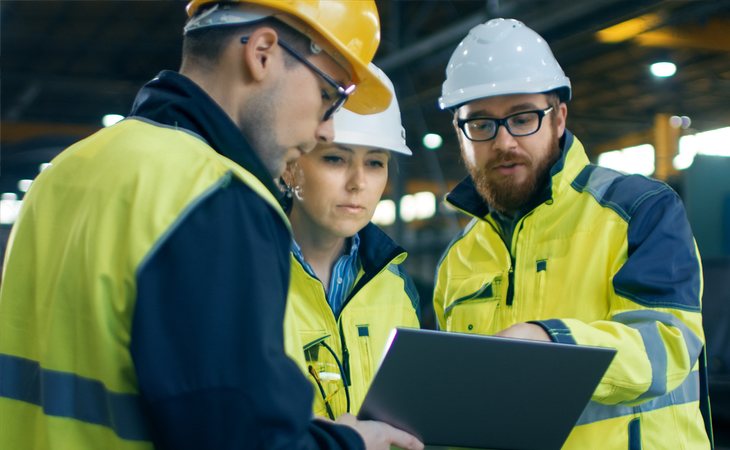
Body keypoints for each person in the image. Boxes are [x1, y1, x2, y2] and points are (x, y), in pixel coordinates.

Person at [0, 1, 423, 449]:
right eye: (327, 95)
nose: (327, 130)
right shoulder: (215, 197)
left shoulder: (66, 171)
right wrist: (350, 445)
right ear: (262, 53)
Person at [433, 18, 712, 449]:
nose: (504, 142)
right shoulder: (459, 257)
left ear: (558, 118)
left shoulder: (639, 209)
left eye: (523, 118)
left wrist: (552, 340)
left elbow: (667, 349)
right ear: (460, 133)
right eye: (482, 124)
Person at [282, 65, 420, 420]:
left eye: (375, 163)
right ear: (290, 167)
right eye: (335, 159)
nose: (358, 182)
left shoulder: (397, 287)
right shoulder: (246, 274)